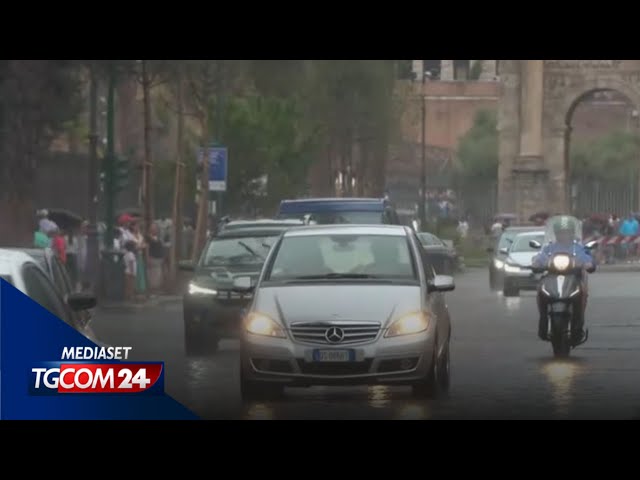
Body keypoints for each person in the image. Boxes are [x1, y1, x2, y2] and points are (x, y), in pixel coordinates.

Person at [532, 215, 596, 343]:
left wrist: (588, 264)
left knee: (582, 292)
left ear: (572, 233)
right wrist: (536, 262)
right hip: (552, 278)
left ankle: (577, 327)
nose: (563, 235)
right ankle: (543, 322)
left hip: (573, 278)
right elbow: (541, 257)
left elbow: (586, 257)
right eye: (561, 232)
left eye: (566, 232)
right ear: (555, 234)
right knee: (541, 289)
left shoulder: (577, 248)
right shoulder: (550, 248)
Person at [146, 223, 165, 293]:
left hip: (159, 260)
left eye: (156, 228)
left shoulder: (158, 238)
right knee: (152, 277)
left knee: (158, 276)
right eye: (153, 228)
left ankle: (156, 290)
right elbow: (147, 248)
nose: (155, 230)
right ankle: (152, 291)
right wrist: (147, 258)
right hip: (152, 259)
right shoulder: (148, 238)